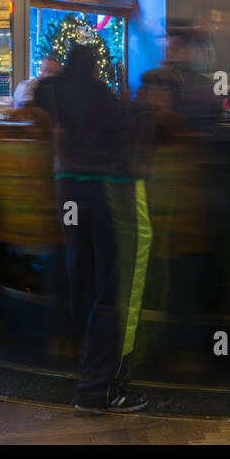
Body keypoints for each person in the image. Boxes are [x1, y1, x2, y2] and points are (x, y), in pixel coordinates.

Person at [34, 45, 151, 413]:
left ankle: (86, 376)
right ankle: (99, 388)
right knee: (113, 289)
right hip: (108, 189)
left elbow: (36, 103)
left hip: (67, 190)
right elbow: (129, 132)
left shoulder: (50, 89)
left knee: (82, 280)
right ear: (96, 66)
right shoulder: (102, 94)